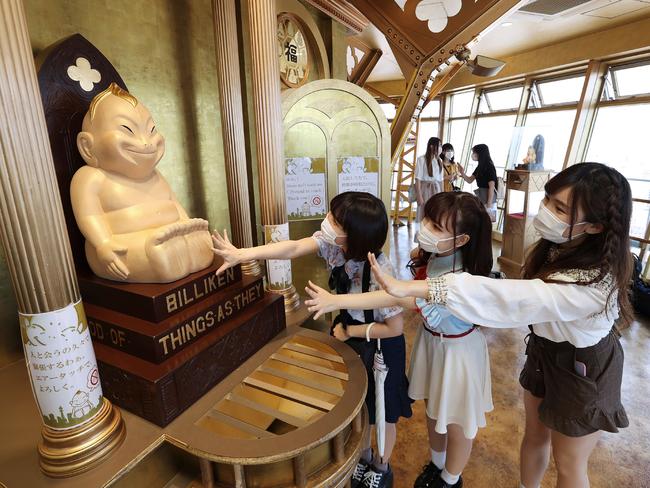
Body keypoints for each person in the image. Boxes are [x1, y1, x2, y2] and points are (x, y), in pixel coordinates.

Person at [365, 163, 632, 488]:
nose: (545, 210)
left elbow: (512, 298)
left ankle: (451, 476)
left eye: (560, 208)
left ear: (595, 226)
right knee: (535, 436)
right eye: (547, 199)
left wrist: (414, 288)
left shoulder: (594, 284)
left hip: (582, 368)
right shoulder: (560, 247)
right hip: (544, 350)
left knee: (570, 462)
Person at [211, 192, 410, 488]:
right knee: (361, 406)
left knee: (383, 411)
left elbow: (394, 327)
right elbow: (292, 248)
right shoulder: (333, 246)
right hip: (350, 339)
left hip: (379, 346)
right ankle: (364, 457)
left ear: (355, 234)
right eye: (331, 215)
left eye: (336, 221)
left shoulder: (380, 270)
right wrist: (244, 254)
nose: (327, 222)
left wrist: (347, 330)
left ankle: (381, 466)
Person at [305, 192, 494, 488]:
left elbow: (402, 301)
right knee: (434, 411)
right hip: (432, 342)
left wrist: (338, 300)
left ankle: (450, 479)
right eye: (428, 219)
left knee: (458, 420)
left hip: (458, 351)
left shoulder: (459, 278)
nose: (426, 227)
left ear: (461, 241)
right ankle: (438, 465)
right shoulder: (435, 256)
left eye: (437, 226)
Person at [457, 144, 497, 215]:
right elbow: (470, 180)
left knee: (486, 221)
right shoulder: (480, 166)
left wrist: (489, 205)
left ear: (480, 153)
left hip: (488, 197)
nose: (472, 155)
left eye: (474, 152)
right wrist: (462, 172)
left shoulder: (489, 166)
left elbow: (491, 187)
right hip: (481, 196)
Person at [415, 137, 443, 224]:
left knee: (436, 214)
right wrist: (419, 196)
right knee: (424, 214)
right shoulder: (421, 159)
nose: (440, 148)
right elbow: (418, 179)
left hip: (437, 189)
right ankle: (423, 236)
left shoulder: (439, 161)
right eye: (439, 145)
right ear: (431, 146)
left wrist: (443, 195)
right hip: (425, 189)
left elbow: (441, 180)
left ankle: (434, 236)